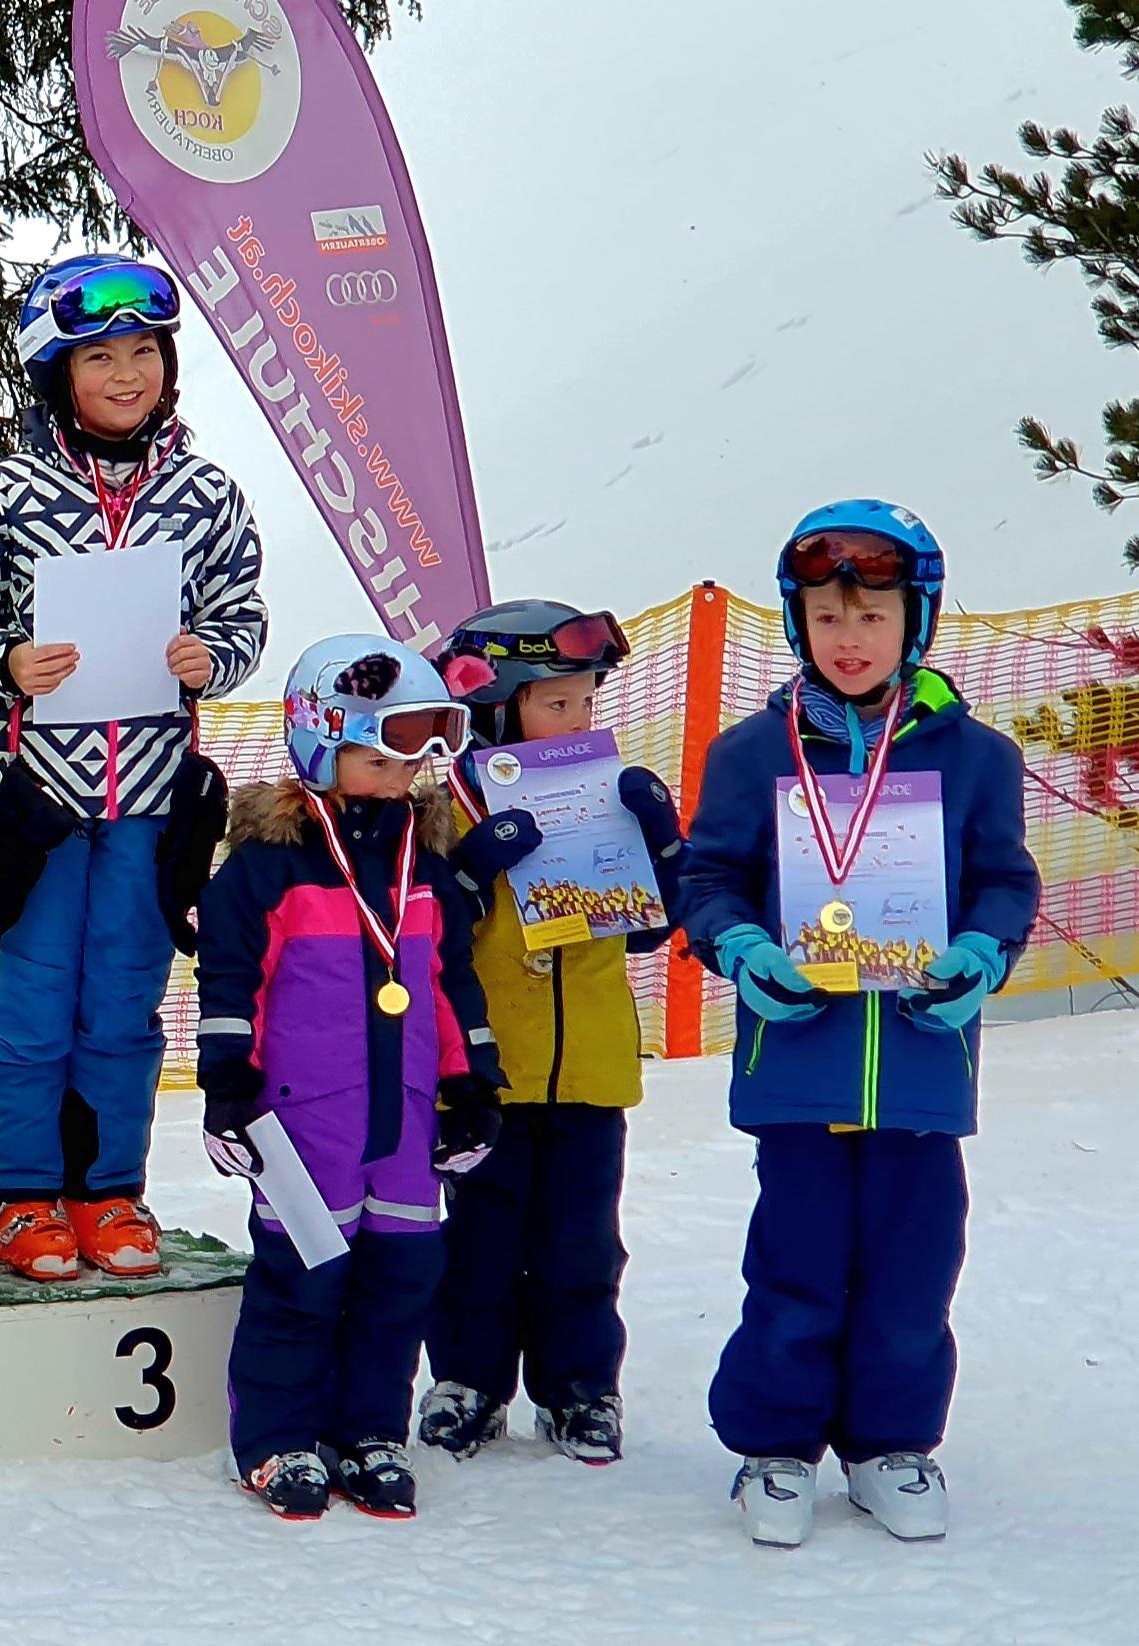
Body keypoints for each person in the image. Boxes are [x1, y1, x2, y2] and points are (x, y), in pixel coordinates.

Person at [677, 502, 1039, 1547]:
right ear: (795, 624)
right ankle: (774, 1449)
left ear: (912, 623)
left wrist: (979, 953)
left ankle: (890, 1443)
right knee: (794, 1260)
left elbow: (1002, 884)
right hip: (798, 1061)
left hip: (921, 1066)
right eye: (824, 613)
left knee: (912, 1265)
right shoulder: (753, 752)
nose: (847, 636)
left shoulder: (974, 757)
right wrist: (739, 948)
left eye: (870, 614)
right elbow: (708, 876)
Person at [0, 253, 269, 1283]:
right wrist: (4, 659)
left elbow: (240, 610)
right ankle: (18, 1194)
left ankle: (109, 1190)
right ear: (56, 373)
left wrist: (207, 657)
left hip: (148, 797)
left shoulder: (204, 494)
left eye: (142, 351)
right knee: (33, 998)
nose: (126, 372)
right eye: (99, 356)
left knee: (124, 999)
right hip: (37, 798)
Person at [196, 637, 505, 1522]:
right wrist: (229, 1085)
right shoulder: (269, 867)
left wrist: (473, 1085)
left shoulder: (427, 871)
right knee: (303, 1280)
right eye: (379, 758)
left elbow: (451, 986)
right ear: (321, 749)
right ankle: (275, 1439)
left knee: (399, 1281)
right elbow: (229, 984)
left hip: (404, 1123)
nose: (400, 777)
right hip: (305, 1121)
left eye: (412, 761)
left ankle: (368, 1432)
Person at [415, 602, 683, 1466]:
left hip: (590, 1066)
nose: (575, 721)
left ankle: (578, 1389)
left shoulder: (602, 797)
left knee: (582, 1239)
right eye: (553, 704)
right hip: (493, 1068)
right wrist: (469, 868)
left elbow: (644, 930)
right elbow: (420, 934)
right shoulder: (444, 807)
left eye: (584, 703)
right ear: (496, 707)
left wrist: (662, 843)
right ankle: (468, 1381)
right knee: (482, 1240)